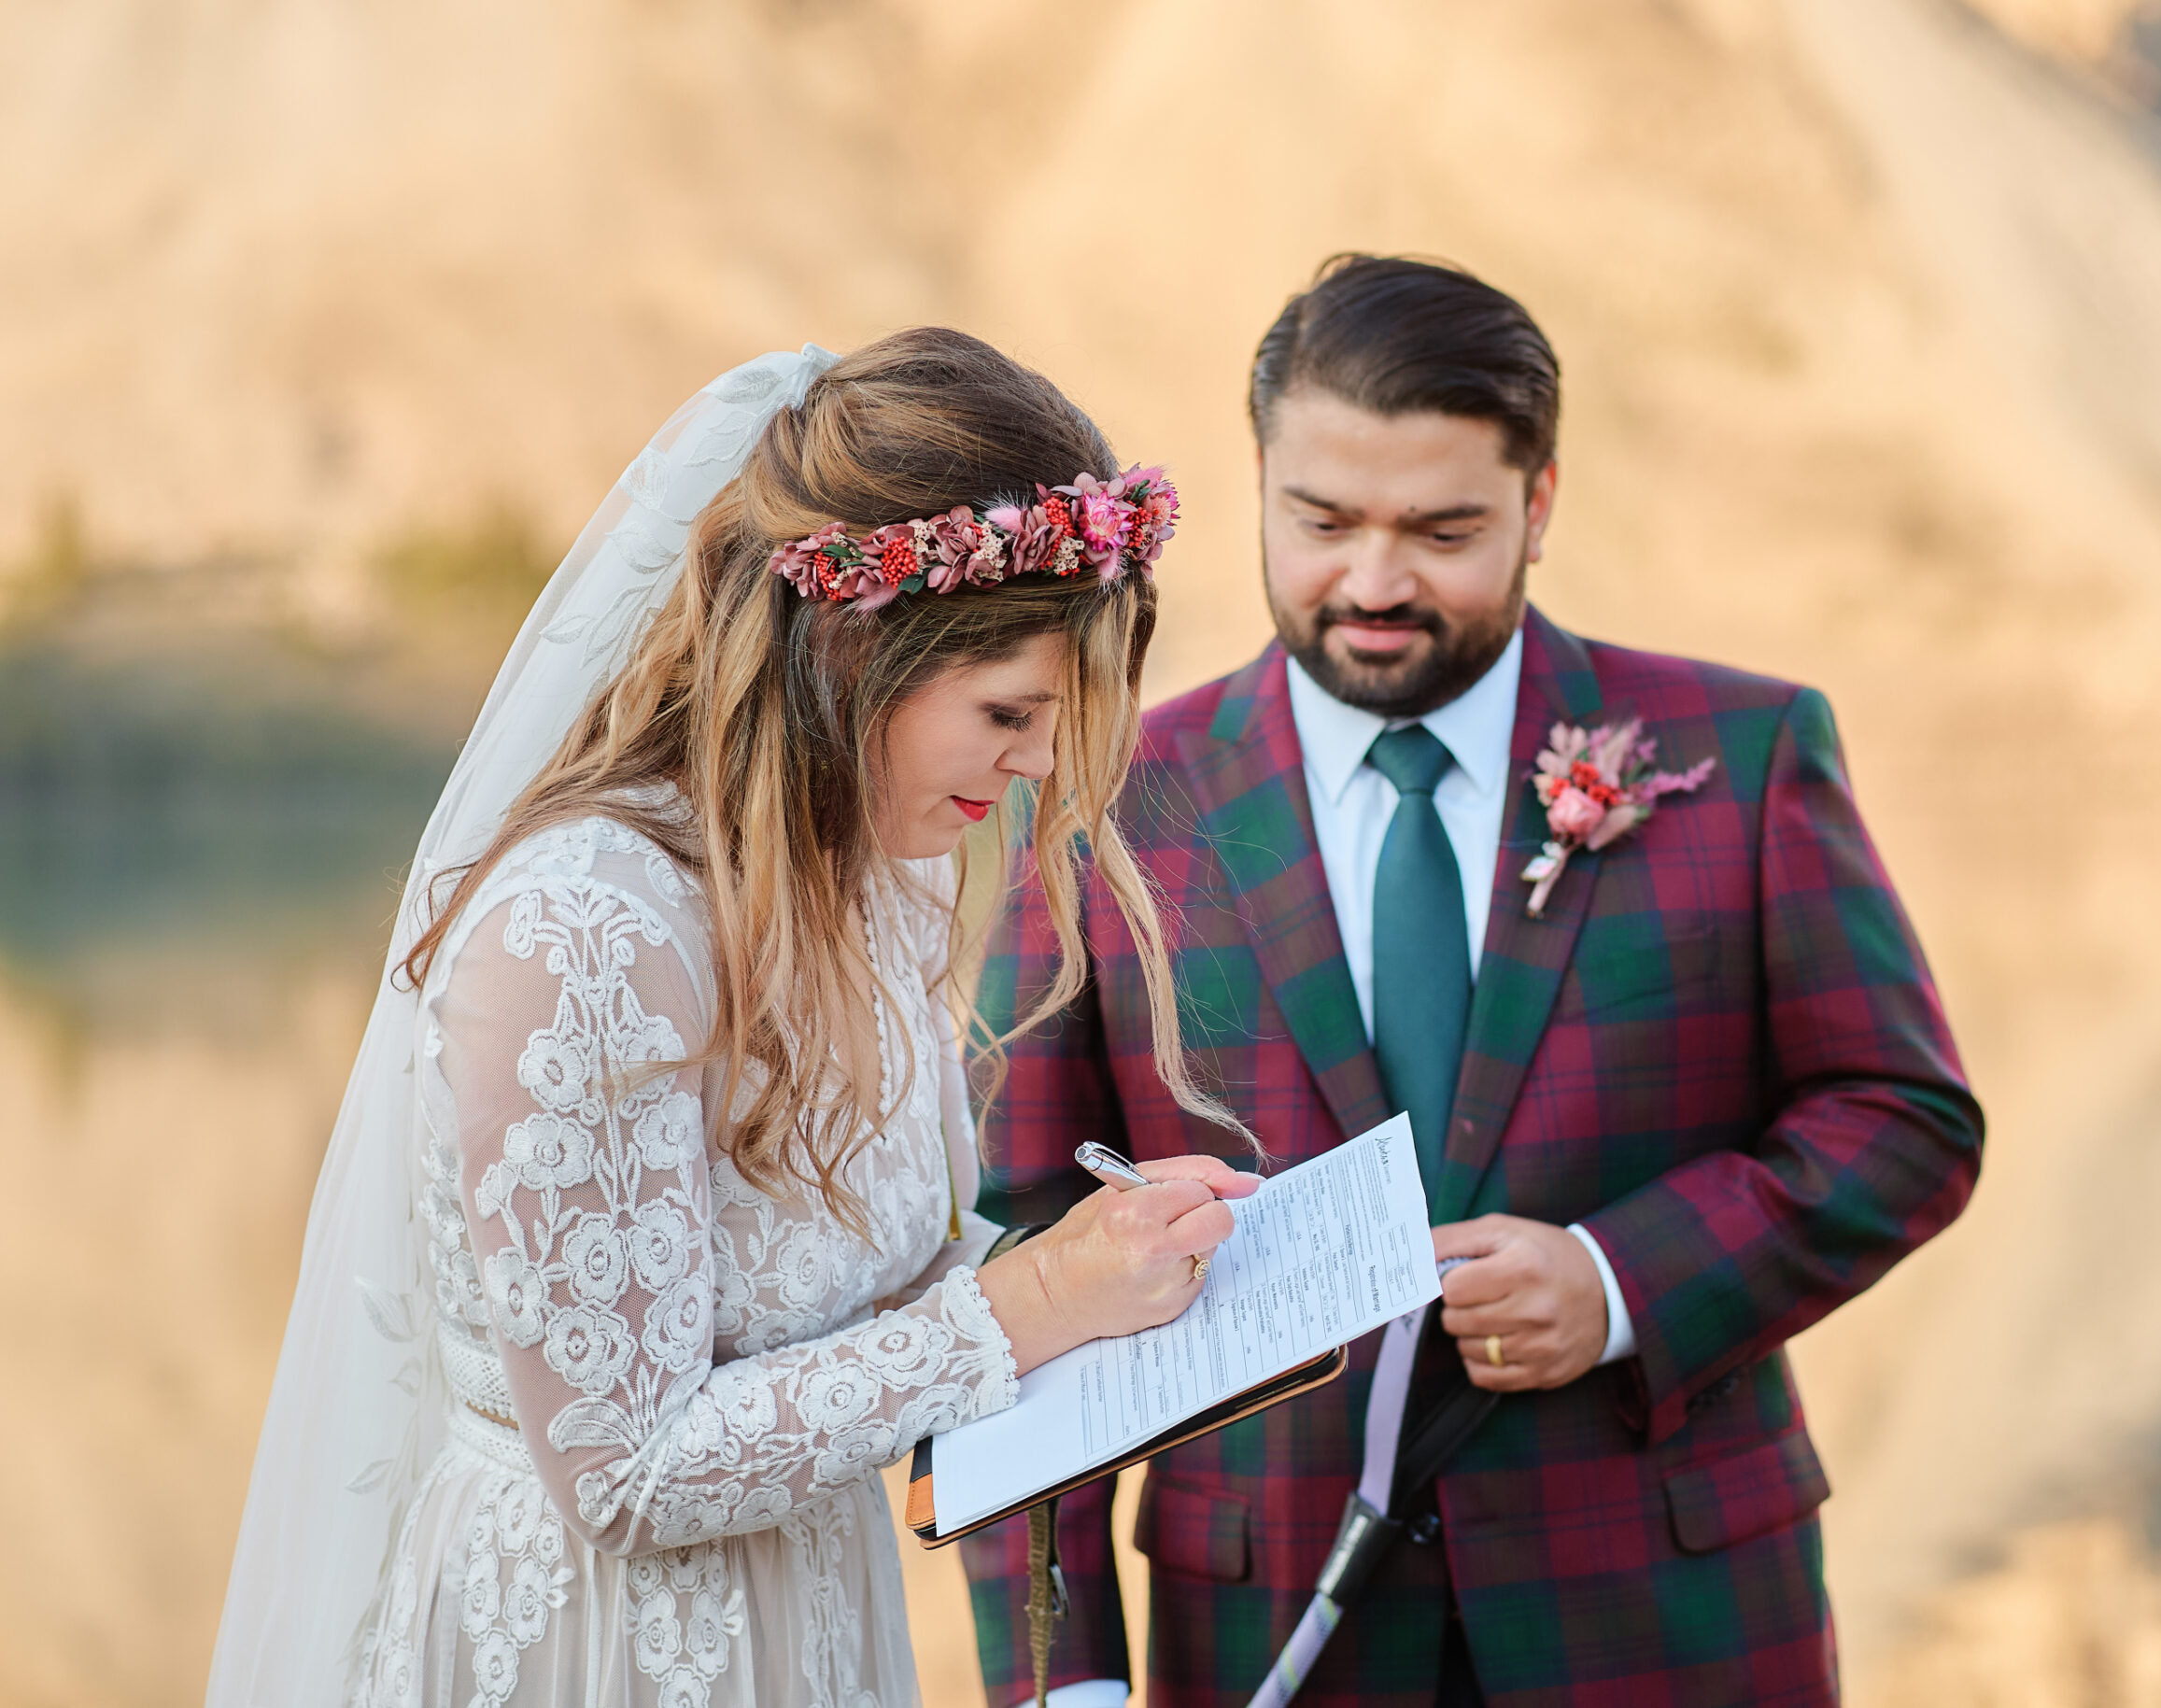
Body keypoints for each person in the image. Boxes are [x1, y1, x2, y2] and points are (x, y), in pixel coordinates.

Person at [961, 257, 1985, 1706]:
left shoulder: (1741, 754)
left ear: (1539, 503)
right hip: (1267, 1627)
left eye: (1442, 530)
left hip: (1668, 1620)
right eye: (1323, 521)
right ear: (1260, 485)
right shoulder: (1102, 799)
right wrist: (1061, 1686)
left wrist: (1621, 1282)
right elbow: (1017, 1246)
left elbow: (1905, 1117)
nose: (1375, 582)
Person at [205, 331, 1261, 1708]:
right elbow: (624, 1472)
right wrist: (1035, 1303)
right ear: (853, 646)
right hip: (597, 1654)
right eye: (1008, 710)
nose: (1043, 763)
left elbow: (875, 1290)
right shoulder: (582, 933)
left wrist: (1100, 1260)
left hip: (814, 1620)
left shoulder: (882, 865)